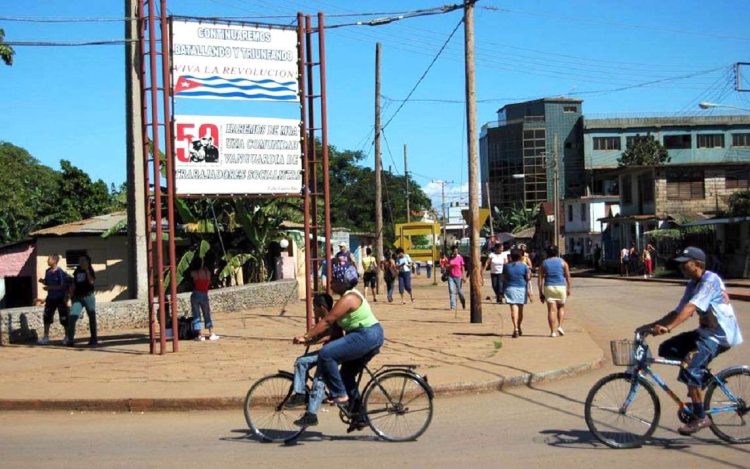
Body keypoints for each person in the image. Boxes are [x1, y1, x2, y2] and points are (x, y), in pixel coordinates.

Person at [637, 247, 743, 435]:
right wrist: (651, 325)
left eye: (686, 264)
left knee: (690, 368)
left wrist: (668, 328)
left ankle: (701, 417)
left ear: (698, 264)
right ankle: (700, 379)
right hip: (705, 333)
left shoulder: (709, 280)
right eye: (681, 265)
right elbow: (678, 311)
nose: (682, 268)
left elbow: (690, 308)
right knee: (667, 348)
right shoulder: (692, 283)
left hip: (720, 336)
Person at [292, 264, 384, 429]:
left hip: (365, 335)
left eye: (334, 280)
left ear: (343, 282)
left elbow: (327, 321)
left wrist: (306, 336)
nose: (332, 283)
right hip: (365, 336)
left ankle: (340, 395)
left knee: (326, 353)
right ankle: (359, 416)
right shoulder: (346, 297)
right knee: (346, 375)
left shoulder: (349, 298)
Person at [284, 293, 341, 408]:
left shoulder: (331, 319)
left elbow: (329, 336)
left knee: (301, 362)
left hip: (333, 352)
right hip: (329, 350)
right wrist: (308, 338)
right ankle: (333, 393)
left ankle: (300, 393)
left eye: (314, 307)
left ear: (322, 307)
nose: (313, 310)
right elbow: (320, 333)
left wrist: (309, 341)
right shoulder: (326, 318)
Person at [538, 245, 572, 338]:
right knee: (561, 307)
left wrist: (540, 292)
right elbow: (568, 276)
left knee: (551, 310)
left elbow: (540, 279)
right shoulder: (563, 262)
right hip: (561, 287)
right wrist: (569, 288)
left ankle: (552, 332)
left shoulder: (544, 263)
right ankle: (560, 326)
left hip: (549, 287)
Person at [37, 254, 70, 345]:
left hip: (60, 299)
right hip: (50, 298)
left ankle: (67, 337)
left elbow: (62, 286)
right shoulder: (47, 271)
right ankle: (46, 337)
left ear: (54, 261)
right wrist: (42, 281)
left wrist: (50, 288)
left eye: (49, 259)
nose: (47, 261)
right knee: (46, 317)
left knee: (63, 318)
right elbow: (47, 282)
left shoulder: (60, 272)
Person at [66, 254, 98, 346]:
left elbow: (91, 281)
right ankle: (70, 340)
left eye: (83, 260)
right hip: (77, 297)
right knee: (72, 316)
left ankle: (93, 339)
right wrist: (70, 293)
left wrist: (87, 270)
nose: (81, 262)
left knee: (91, 317)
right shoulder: (77, 271)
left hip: (88, 296)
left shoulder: (90, 270)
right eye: (80, 260)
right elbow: (74, 283)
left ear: (88, 261)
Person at [503, 248, 533, 338]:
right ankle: (519, 327)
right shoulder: (524, 266)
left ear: (511, 256)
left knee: (513, 309)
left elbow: (504, 278)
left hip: (510, 288)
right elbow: (528, 278)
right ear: (520, 257)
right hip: (521, 288)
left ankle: (515, 328)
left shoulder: (506, 266)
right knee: (520, 310)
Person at [190, 257, 218, 341]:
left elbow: (191, 280)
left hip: (195, 294)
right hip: (204, 294)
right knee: (207, 314)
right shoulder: (207, 272)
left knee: (196, 315)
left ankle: (200, 335)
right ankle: (211, 333)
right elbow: (209, 282)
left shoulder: (194, 273)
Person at [447, 246, 466, 314]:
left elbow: (463, 267)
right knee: (451, 291)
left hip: (458, 276)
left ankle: (463, 302)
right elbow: (448, 266)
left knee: (460, 292)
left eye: (456, 251)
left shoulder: (460, 258)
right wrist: (447, 267)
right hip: (451, 276)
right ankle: (453, 306)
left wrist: (464, 276)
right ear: (452, 251)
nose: (455, 252)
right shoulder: (450, 258)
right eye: (454, 251)